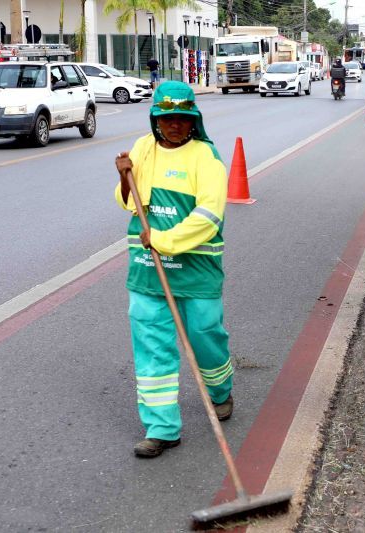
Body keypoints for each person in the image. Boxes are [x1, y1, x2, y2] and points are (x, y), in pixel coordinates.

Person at [113, 81, 233, 458]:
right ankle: (162, 427)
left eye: (182, 118)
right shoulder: (143, 149)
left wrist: (164, 241)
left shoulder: (206, 158)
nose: (174, 125)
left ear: (193, 120)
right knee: (152, 349)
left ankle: (220, 390)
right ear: (155, 120)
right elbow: (127, 202)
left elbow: (209, 216)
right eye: (167, 119)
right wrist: (122, 175)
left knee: (205, 335)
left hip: (196, 271)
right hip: (148, 271)